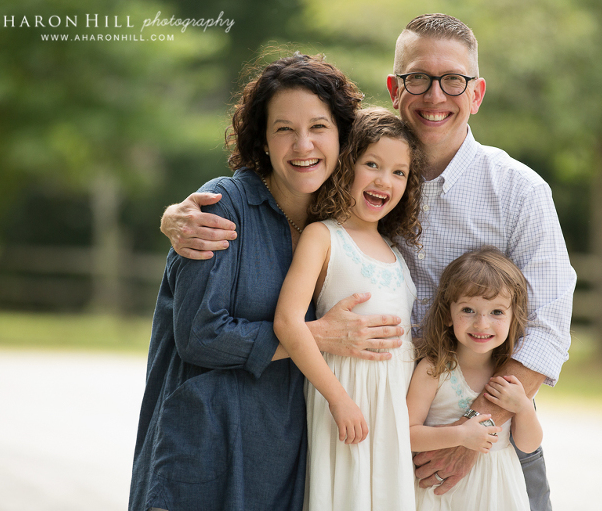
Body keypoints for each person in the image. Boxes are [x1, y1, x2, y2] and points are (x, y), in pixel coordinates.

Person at [158, 13, 576, 511]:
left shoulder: (518, 191)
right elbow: (289, 165)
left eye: (453, 80)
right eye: (417, 78)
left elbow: (548, 328)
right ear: (394, 89)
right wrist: (174, 216)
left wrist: (472, 432)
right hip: (376, 424)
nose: (435, 95)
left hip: (488, 438)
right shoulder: (353, 182)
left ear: (477, 93)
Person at [128, 53, 410, 511]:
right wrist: (316, 335)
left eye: (318, 127)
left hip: (283, 463)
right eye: (284, 129)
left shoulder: (336, 228)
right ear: (262, 138)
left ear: (343, 136)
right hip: (201, 456)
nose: (303, 145)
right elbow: (199, 335)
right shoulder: (223, 207)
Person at [273, 107, 424, 510]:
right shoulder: (323, 236)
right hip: (343, 401)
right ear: (346, 165)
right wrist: (339, 400)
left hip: (391, 413)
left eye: (398, 172)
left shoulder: (396, 253)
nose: (384, 180)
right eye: (371, 164)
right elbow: (288, 322)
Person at [407, 247, 543, 510]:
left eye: (497, 312)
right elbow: (407, 434)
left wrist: (524, 407)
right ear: (448, 314)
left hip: (497, 490)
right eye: (468, 310)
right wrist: (460, 435)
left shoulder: (510, 373)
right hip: (442, 494)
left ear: (513, 317)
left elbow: (528, 445)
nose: (482, 323)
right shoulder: (434, 369)